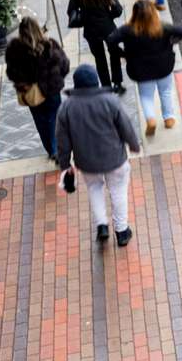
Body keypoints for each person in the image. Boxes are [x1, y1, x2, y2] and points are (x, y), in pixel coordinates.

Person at [56, 64, 141, 247]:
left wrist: (65, 164)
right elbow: (125, 125)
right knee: (118, 191)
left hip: (86, 162)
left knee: (94, 189)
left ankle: (102, 225)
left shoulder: (67, 107)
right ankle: (122, 231)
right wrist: (134, 145)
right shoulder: (110, 100)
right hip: (115, 158)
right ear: (96, 82)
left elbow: (62, 140)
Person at [108, 0, 182, 137]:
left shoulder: (127, 30)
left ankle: (151, 119)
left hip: (140, 70)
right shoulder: (162, 27)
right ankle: (168, 118)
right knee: (165, 91)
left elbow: (111, 40)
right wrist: (171, 43)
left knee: (146, 96)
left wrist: (122, 53)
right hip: (163, 67)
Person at [4, 16, 70, 161]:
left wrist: (24, 83)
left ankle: (51, 149)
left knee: (40, 121)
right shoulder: (49, 45)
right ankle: (56, 149)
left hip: (31, 94)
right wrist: (56, 79)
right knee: (54, 119)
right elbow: (64, 65)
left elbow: (11, 73)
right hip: (51, 91)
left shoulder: (14, 50)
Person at [67, 0, 124, 91]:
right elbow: (118, 10)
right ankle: (117, 82)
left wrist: (84, 17)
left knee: (100, 59)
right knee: (114, 54)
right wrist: (109, 16)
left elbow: (71, 12)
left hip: (91, 31)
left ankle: (106, 86)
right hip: (108, 28)